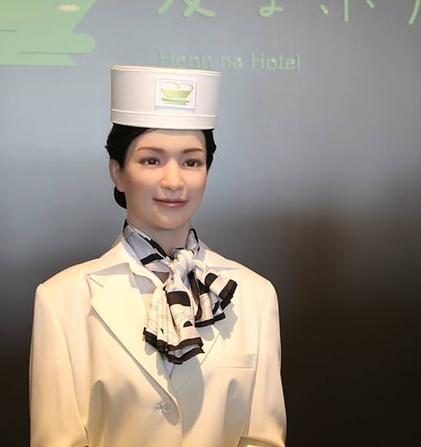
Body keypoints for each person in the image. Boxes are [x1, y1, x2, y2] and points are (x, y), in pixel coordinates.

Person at [29, 65, 286, 447]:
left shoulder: (254, 294)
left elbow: (262, 439)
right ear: (118, 172)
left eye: (191, 161)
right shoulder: (61, 299)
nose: (174, 181)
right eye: (151, 160)